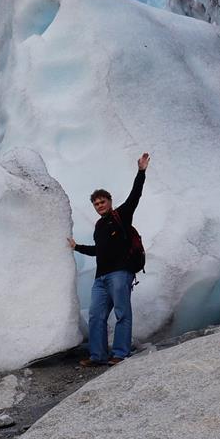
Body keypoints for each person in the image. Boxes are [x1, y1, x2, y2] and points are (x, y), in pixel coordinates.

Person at [67, 153, 149, 367]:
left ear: (110, 202)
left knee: (122, 313)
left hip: (121, 273)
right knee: (96, 316)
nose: (99, 205)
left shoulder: (121, 215)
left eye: (102, 202)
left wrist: (141, 172)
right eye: (96, 203)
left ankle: (120, 354)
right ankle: (98, 356)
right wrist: (77, 248)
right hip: (101, 278)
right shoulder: (99, 226)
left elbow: (135, 196)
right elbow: (99, 251)